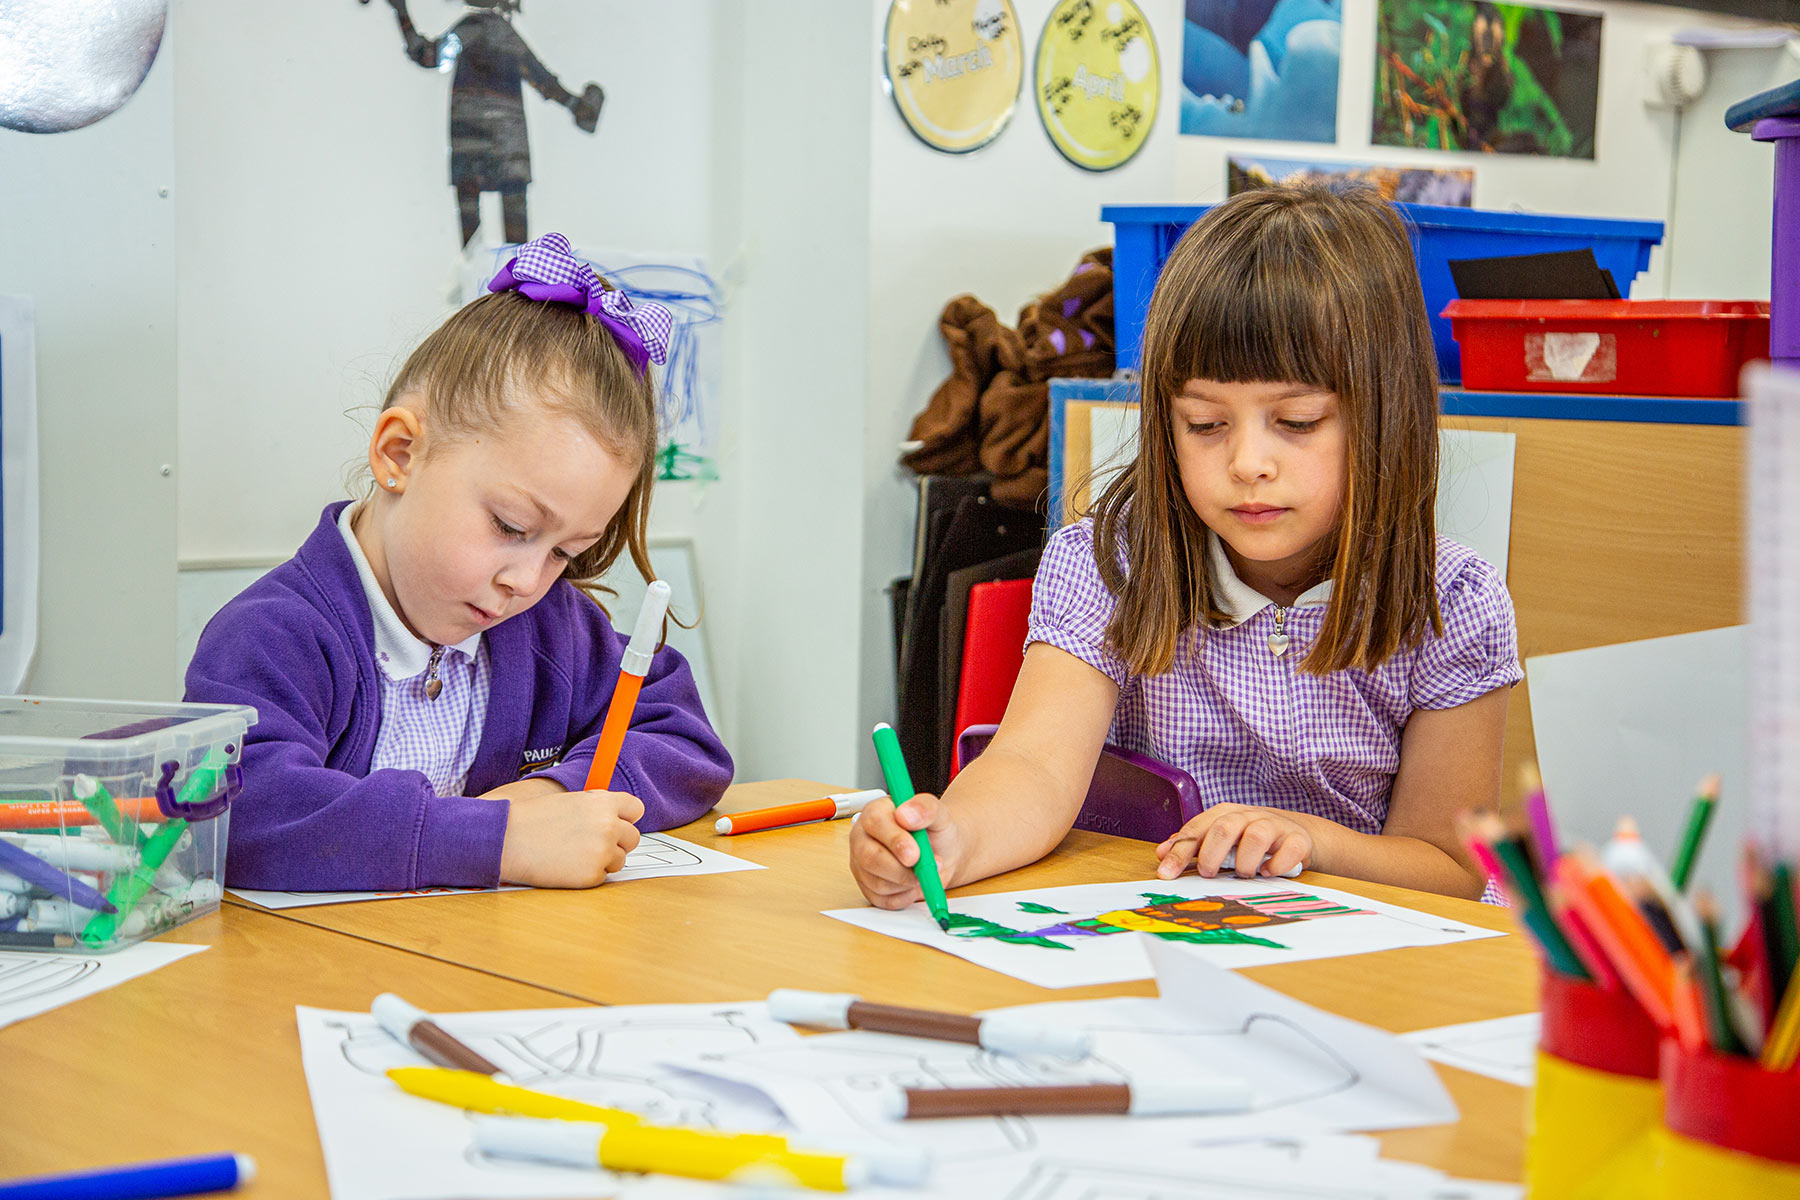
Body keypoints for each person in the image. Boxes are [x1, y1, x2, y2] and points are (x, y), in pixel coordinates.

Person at [851, 186, 1520, 906]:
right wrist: (953, 840)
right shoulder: (1108, 566)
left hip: (1368, 978)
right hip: (1168, 949)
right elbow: (1034, 770)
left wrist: (1309, 840)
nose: (1247, 463)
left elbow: (1450, 869)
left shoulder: (1453, 603)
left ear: (1387, 415)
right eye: (1205, 424)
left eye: (1295, 421)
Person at [188, 232, 731, 891]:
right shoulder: (272, 639)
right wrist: (497, 841)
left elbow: (686, 741)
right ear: (398, 455)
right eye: (510, 526)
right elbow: (239, 815)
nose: (526, 580)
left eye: (566, 552)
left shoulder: (550, 629)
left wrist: (558, 791)